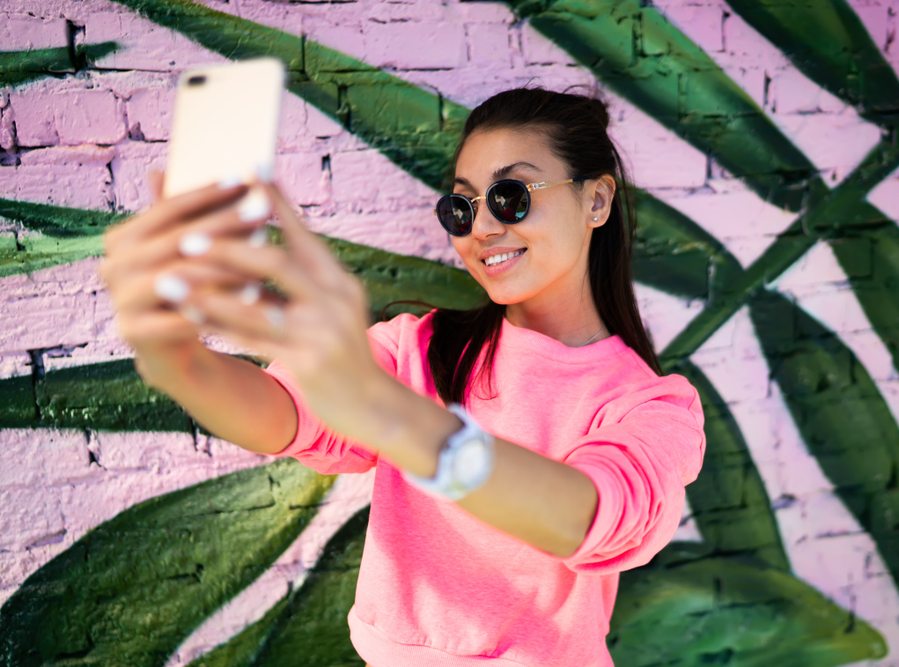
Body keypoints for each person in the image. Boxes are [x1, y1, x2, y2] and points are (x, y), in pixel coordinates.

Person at [100, 87, 706, 667]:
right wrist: (180, 361)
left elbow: (590, 517)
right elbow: (284, 413)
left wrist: (387, 414)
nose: (482, 229)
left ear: (596, 200)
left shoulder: (652, 406)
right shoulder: (419, 349)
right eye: (461, 207)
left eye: (511, 197)